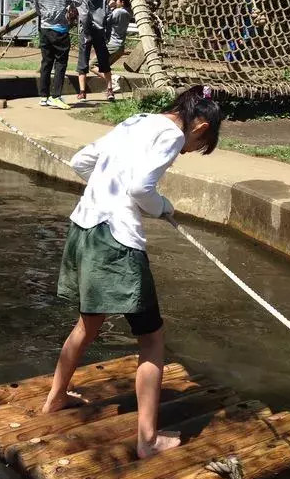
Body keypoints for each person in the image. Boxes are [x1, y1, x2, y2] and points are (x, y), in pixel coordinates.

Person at [42, 85, 222, 458]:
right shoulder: (172, 133)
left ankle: (56, 399)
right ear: (200, 126)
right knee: (152, 338)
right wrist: (162, 206)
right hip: (117, 241)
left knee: (87, 325)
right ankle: (148, 440)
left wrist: (109, 189)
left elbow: (81, 162)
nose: (187, 152)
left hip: (85, 229)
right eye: (196, 145)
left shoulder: (137, 120)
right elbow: (143, 188)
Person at [32, 0, 82, 110]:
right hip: (60, 30)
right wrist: (68, 6)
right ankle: (56, 96)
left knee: (46, 63)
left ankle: (43, 96)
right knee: (60, 63)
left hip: (45, 30)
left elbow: (38, 11)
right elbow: (78, 1)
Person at [75, 0, 112, 103]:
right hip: (100, 30)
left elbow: (84, 15)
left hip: (87, 31)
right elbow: (108, 14)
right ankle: (109, 90)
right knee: (104, 61)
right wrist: (107, 32)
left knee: (82, 62)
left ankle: (82, 92)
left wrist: (86, 31)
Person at [106, 0, 131, 66]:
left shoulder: (118, 11)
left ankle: (115, 78)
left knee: (92, 65)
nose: (116, 2)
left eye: (117, 0)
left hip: (113, 44)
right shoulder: (127, 13)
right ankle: (113, 77)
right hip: (120, 46)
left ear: (122, 2)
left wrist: (109, 6)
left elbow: (103, 19)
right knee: (105, 67)